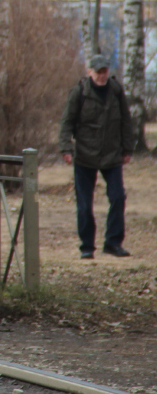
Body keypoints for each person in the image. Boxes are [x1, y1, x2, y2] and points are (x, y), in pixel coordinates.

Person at [60, 54, 138, 259]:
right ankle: (87, 246)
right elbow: (67, 122)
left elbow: (126, 122)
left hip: (111, 155)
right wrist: (66, 148)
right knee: (85, 204)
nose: (102, 75)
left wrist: (128, 149)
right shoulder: (79, 93)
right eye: (98, 72)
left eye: (105, 71)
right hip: (85, 155)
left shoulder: (116, 91)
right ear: (89, 72)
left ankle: (113, 243)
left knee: (118, 197)